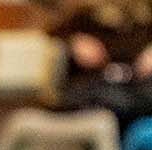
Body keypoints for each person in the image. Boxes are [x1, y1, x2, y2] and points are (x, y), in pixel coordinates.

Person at [51, 0, 152, 135]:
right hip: (96, 84)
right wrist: (73, 42)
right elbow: (51, 34)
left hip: (138, 86)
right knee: (112, 102)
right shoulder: (83, 14)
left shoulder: (146, 14)